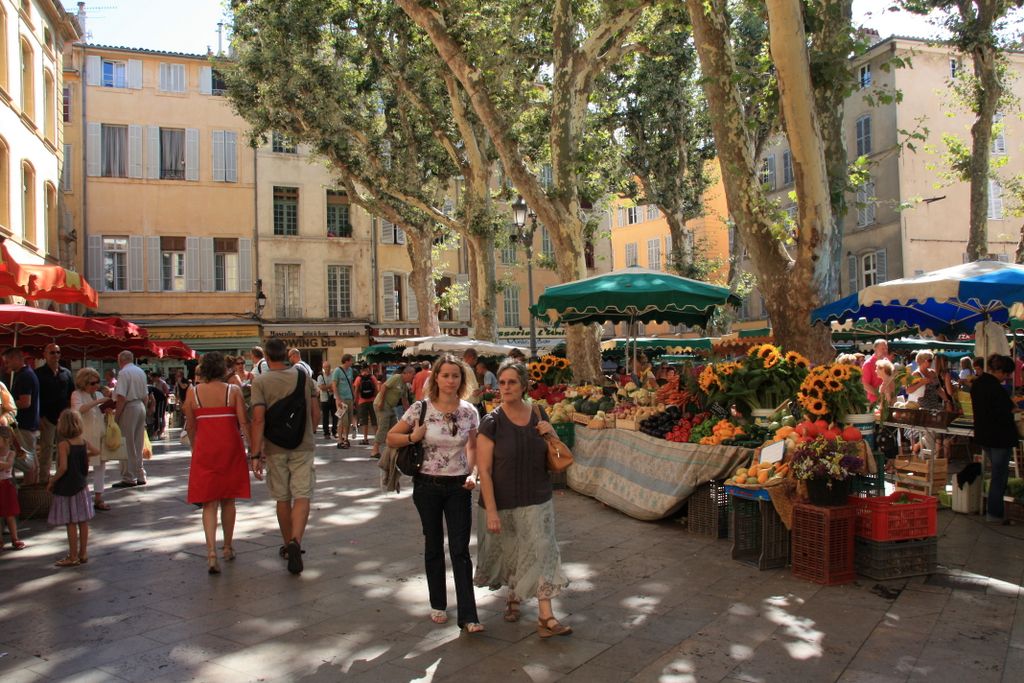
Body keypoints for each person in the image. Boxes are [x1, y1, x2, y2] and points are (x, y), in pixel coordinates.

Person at [386, 354, 483, 632]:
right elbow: (392, 437)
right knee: (433, 544)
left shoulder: (469, 411)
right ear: (436, 378)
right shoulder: (421, 409)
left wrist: (473, 473)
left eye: (456, 376)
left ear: (461, 380)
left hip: (458, 486)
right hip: (427, 485)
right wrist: (412, 438)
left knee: (460, 549)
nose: (451, 380)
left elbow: (473, 447)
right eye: (446, 375)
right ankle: (438, 603)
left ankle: (469, 615)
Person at [475, 360, 572, 638]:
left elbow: (555, 452)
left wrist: (549, 433)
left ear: (524, 385)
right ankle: (513, 596)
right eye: (502, 382)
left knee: (543, 551)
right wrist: (491, 510)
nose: (505, 387)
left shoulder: (539, 414)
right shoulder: (491, 422)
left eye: (512, 382)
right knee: (513, 553)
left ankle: (546, 616)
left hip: (537, 496)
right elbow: (485, 469)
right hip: (503, 500)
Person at [250, 338, 319, 575]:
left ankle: (287, 542)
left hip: (274, 446)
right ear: (287, 356)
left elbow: (258, 419)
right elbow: (315, 412)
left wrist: (256, 452)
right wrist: (309, 433)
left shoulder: (260, 381)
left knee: (282, 497)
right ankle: (296, 541)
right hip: (302, 444)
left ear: (267, 358)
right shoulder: (304, 378)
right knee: (302, 494)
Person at [183, 352, 252, 575]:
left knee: (208, 503)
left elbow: (191, 426)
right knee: (228, 499)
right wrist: (252, 449)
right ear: (223, 369)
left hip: (205, 448)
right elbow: (243, 422)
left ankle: (211, 551)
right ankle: (227, 546)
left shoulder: (193, 393)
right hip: (230, 447)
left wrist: (195, 448)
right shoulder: (233, 391)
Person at [970, 354, 1018, 523]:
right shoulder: (995, 388)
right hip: (999, 437)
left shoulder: (977, 384)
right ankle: (994, 514)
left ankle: (994, 511)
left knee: (997, 474)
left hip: (984, 435)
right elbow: (1007, 410)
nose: (1007, 377)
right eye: (1006, 373)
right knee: (999, 476)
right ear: (999, 371)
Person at [46, 409, 98, 567]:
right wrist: (83, 456)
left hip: (68, 488)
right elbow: (96, 451)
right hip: (82, 486)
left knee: (70, 522)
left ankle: (72, 555)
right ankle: (83, 553)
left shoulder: (64, 445)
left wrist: (52, 481)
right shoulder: (82, 441)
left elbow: (62, 468)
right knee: (83, 521)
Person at [71, 368, 113, 512]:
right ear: (84, 383)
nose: (96, 386)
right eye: (92, 383)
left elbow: (98, 413)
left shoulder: (98, 393)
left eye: (97, 382)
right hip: (85, 436)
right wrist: (99, 402)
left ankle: (99, 497)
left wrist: (107, 410)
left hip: (99, 434)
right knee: (83, 466)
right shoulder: (77, 394)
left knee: (101, 466)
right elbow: (78, 410)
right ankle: (81, 497)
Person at [35, 344, 73, 486]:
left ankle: (61, 477)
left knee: (64, 449)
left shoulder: (66, 373)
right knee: (46, 449)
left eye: (58, 352)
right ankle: (43, 479)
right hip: (47, 418)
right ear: (45, 354)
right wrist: (39, 417)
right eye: (52, 352)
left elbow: (71, 395)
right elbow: (35, 397)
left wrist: (69, 415)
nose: (56, 355)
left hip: (63, 418)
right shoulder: (38, 373)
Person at [111, 350, 149, 488]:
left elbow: (121, 397)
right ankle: (140, 474)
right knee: (138, 443)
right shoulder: (140, 371)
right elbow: (146, 395)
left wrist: (116, 417)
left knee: (127, 443)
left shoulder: (124, 373)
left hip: (129, 407)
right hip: (140, 406)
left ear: (121, 360)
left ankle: (129, 476)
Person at [4, 348, 40, 483]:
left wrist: (6, 404)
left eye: (8, 362)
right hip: (28, 424)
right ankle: (33, 489)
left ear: (16, 358)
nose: (6, 365)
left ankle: (29, 492)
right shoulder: (26, 374)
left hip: (24, 424)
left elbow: (25, 402)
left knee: (26, 461)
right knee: (31, 459)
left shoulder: (24, 376)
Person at [373, 365, 415, 458]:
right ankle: (374, 450)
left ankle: (392, 449)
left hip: (390, 407)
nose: (413, 377)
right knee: (383, 426)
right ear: (407, 373)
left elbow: (405, 400)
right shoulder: (397, 378)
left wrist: (410, 413)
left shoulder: (405, 385)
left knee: (394, 428)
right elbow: (384, 386)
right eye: (413, 374)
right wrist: (381, 402)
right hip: (383, 405)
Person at [0, 425, 25, 550]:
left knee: (9, 514)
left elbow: (8, 465)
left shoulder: (11, 453)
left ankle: (15, 537)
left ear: (5, 440)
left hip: (7, 485)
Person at [332, 354, 357, 449]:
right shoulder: (337, 371)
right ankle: (339, 440)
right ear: (346, 361)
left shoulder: (350, 370)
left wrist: (354, 395)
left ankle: (346, 439)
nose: (352, 362)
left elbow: (350, 383)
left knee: (349, 420)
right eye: (351, 360)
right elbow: (334, 385)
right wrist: (337, 398)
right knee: (342, 420)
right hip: (341, 399)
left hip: (349, 398)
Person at [352, 365, 378, 447]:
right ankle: (377, 439)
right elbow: (377, 389)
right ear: (368, 369)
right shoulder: (372, 377)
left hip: (362, 402)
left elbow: (356, 391)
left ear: (361, 370)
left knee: (364, 421)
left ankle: (365, 439)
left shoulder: (359, 378)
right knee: (374, 420)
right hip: (372, 401)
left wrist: (355, 402)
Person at [861, 339, 889, 404]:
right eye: (882, 349)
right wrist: (879, 395)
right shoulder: (868, 364)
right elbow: (865, 384)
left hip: (887, 399)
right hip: (875, 401)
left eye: (886, 348)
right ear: (875, 349)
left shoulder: (887, 361)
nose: (885, 351)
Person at [316, 361, 337, 439]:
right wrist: (330, 387)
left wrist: (327, 387)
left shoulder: (333, 374)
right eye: (325, 367)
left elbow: (335, 385)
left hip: (333, 398)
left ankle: (334, 431)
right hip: (324, 399)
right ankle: (326, 433)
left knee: (335, 416)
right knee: (325, 417)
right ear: (323, 368)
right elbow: (322, 387)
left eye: (328, 367)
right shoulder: (320, 376)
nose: (327, 369)